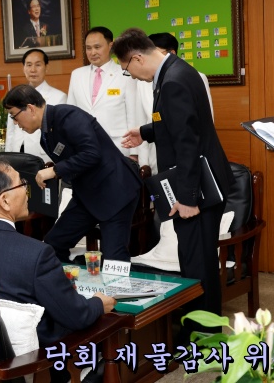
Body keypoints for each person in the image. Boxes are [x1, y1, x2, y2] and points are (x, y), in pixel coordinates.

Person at [116, 27, 234, 327]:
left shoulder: (172, 82)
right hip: (203, 179)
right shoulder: (177, 70)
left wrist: (187, 198)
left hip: (198, 187)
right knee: (198, 258)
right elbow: (179, 123)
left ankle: (201, 332)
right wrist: (145, 132)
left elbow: (187, 144)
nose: (131, 76)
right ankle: (203, 325)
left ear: (137, 58)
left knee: (197, 262)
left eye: (127, 70)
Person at [0, 156, 117, 346]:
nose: (27, 190)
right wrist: (99, 303)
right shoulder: (37, 254)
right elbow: (76, 316)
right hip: (30, 357)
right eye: (22, 183)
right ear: (5, 201)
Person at [3, 84, 141, 262]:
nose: (15, 123)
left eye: (14, 116)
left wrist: (54, 170)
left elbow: (92, 154)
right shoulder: (45, 134)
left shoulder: (68, 116)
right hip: (87, 195)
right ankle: (69, 279)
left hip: (114, 190)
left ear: (30, 108)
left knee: (114, 259)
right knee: (53, 244)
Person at [136, 32, 215, 174]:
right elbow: (142, 119)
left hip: (186, 158)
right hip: (156, 155)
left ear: (171, 53)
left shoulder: (192, 76)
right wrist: (143, 162)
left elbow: (203, 120)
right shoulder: (143, 81)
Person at [66, 26, 137, 157]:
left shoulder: (125, 74)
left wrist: (134, 153)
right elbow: (70, 113)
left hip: (118, 146)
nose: (92, 52)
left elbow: (133, 115)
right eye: (88, 48)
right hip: (84, 147)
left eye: (97, 47)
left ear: (110, 46)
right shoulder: (77, 75)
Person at [5, 48, 66, 162]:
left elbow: (61, 135)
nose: (33, 70)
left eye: (38, 65)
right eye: (28, 65)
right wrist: (7, 157)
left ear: (46, 67)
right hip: (17, 154)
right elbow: (11, 131)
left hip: (43, 156)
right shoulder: (15, 95)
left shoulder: (59, 97)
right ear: (23, 68)